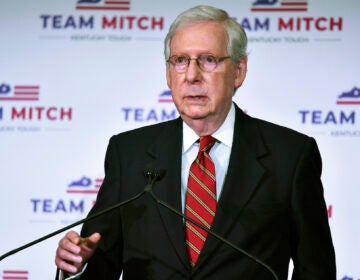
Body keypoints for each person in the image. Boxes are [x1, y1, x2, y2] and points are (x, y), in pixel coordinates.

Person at [55, 5, 336, 280]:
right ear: (168, 73)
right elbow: (98, 260)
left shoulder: (290, 156)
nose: (191, 76)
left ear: (238, 71)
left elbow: (316, 269)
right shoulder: (128, 153)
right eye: (180, 61)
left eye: (208, 60)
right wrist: (74, 265)